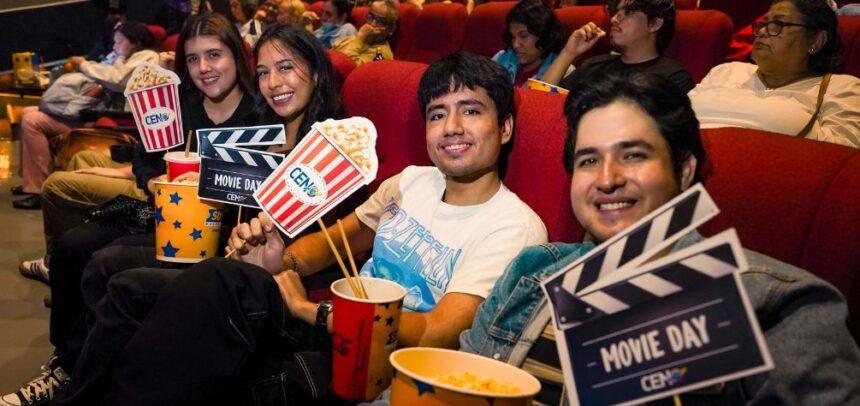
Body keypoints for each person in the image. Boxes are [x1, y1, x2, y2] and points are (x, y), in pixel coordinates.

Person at [58, 52, 547, 405]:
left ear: (504, 127)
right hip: (319, 323)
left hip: (370, 363)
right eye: (438, 114)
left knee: (209, 297)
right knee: (132, 289)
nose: (452, 127)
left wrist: (312, 310)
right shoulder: (411, 182)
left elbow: (435, 335)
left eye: (471, 111)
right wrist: (279, 257)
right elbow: (336, 241)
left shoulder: (514, 227)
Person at [460, 73, 860, 405]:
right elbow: (460, 383)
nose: (607, 179)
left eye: (633, 155)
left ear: (684, 170)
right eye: (589, 160)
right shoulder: (531, 270)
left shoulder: (778, 304)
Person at [0, 13, 270, 406]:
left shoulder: (259, 115)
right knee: (72, 246)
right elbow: (145, 159)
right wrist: (154, 180)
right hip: (158, 211)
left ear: (236, 56)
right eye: (193, 59)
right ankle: (65, 361)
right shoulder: (178, 103)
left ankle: (85, 371)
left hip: (214, 234)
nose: (204, 68)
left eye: (214, 55)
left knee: (106, 261)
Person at [12, 21, 159, 210]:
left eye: (119, 41)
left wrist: (84, 65)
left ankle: (37, 190)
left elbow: (117, 79)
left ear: (135, 42)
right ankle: (31, 180)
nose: (115, 46)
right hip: (100, 113)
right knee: (28, 112)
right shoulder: (123, 59)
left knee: (32, 120)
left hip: (114, 120)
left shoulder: (148, 57)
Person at [689, 0, 860, 148]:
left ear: (816, 40)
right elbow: (677, 117)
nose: (763, 32)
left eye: (778, 25)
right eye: (763, 24)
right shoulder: (726, 71)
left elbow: (839, 156)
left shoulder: (841, 88)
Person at [541, 0, 692, 93]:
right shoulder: (593, 65)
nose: (614, 19)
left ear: (654, 24)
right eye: (616, 12)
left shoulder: (673, 77)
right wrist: (569, 52)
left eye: (628, 12)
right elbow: (541, 102)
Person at [491, 0, 566, 87]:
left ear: (543, 34)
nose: (515, 45)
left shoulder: (563, 71)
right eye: (513, 37)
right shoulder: (501, 59)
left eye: (523, 36)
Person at [333, 0, 398, 65]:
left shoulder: (382, 54)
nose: (372, 24)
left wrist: (360, 38)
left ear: (391, 29)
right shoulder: (354, 39)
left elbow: (347, 65)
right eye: (371, 16)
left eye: (381, 21)